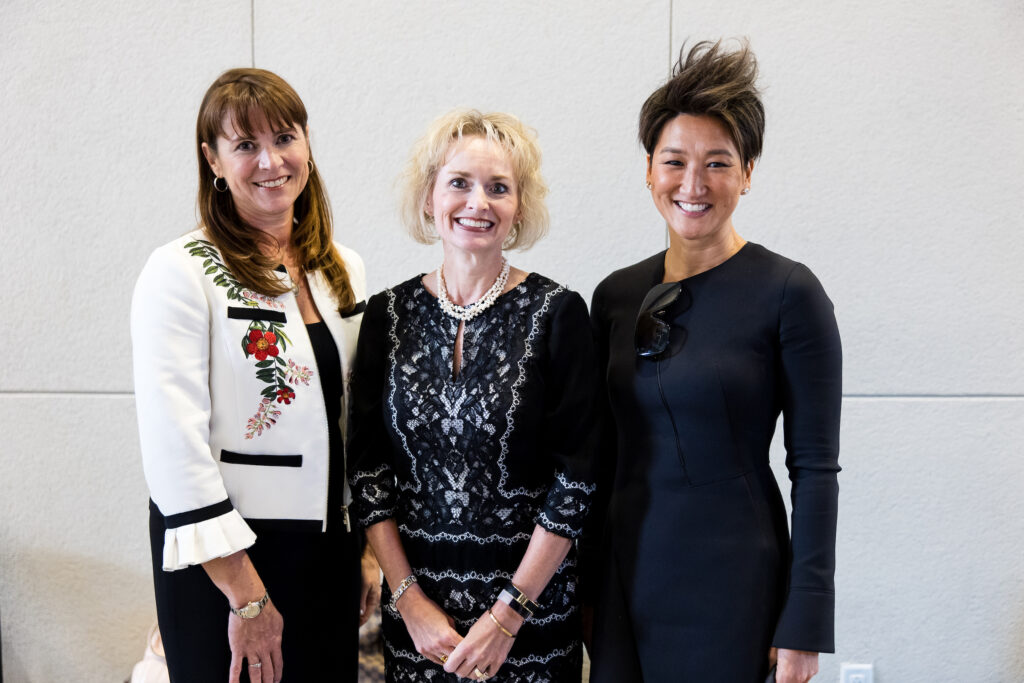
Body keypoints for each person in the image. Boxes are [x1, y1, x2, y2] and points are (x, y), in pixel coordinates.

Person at [585, 41, 842, 683]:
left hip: (733, 584)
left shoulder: (790, 293)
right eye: (674, 161)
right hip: (620, 578)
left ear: (748, 171)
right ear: (649, 170)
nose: (692, 185)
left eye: (718, 163)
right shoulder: (615, 295)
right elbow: (596, 455)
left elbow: (815, 470)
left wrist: (804, 623)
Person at [131, 68, 380, 683]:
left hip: (327, 552)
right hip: (228, 560)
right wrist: (246, 596)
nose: (271, 160)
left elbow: (358, 419)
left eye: (285, 138)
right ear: (212, 160)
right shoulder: (181, 271)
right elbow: (174, 452)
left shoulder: (341, 268)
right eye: (245, 145)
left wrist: (368, 549)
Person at [347, 109, 599, 682]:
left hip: (531, 621)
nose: (477, 202)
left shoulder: (559, 314)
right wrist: (409, 603)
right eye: (459, 182)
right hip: (419, 624)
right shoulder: (387, 317)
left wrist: (507, 616)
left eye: (498, 188)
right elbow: (368, 474)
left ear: (519, 209)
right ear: (429, 197)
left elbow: (577, 480)